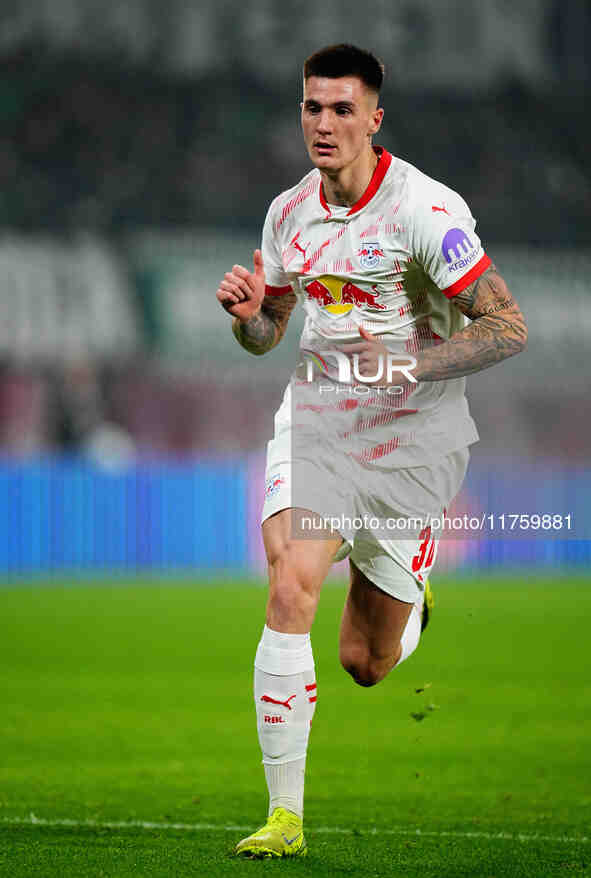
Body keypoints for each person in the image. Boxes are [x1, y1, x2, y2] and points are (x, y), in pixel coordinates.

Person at [216, 44, 527, 859]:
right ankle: (285, 818)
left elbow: (506, 327)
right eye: (312, 108)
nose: (323, 123)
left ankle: (408, 590)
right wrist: (248, 316)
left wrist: (398, 365)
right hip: (318, 418)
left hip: (410, 440)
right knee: (288, 580)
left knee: (365, 660)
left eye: (341, 109)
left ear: (373, 118)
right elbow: (266, 335)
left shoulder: (423, 213)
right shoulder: (287, 214)